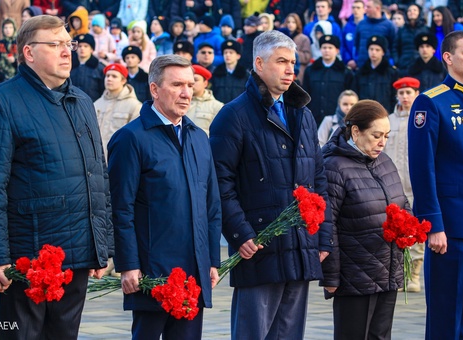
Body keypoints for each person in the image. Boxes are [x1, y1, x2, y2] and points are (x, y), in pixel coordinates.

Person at [0, 15, 113, 339]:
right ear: (29, 53)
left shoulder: (81, 101)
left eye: (69, 44)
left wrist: (101, 247)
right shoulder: (1, 102)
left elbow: (98, 177)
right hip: (28, 260)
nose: (67, 52)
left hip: (77, 256)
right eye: (55, 45)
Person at [209, 29, 333, 340]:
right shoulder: (233, 115)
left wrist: (323, 236)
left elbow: (318, 178)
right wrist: (240, 233)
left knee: (290, 334)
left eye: (293, 62)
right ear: (259, 64)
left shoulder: (303, 114)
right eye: (281, 61)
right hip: (259, 248)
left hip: (300, 245)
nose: (291, 68)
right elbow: (219, 182)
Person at [107, 54, 222, 339]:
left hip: (193, 270)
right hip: (151, 270)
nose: (186, 93)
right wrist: (128, 264)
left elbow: (211, 205)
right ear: (155, 89)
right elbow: (120, 208)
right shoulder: (131, 138)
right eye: (177, 85)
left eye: (190, 84)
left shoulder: (198, 137)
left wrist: (210, 259)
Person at [408, 30, 463, 339]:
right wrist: (433, 224)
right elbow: (422, 168)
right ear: (449, 58)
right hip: (450, 228)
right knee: (445, 317)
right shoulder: (431, 102)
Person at [321, 99, 407, 339]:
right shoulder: (334, 167)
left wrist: (408, 224)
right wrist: (330, 276)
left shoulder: (384, 162)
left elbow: (401, 202)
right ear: (356, 132)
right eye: (376, 135)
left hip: (387, 268)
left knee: (381, 335)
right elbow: (327, 226)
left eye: (387, 136)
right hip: (354, 275)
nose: (382, 143)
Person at [383, 77, 424, 292]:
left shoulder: (421, 118)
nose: (405, 96)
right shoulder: (388, 120)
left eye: (409, 92)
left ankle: (414, 274)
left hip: (415, 184)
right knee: (395, 230)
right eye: (402, 93)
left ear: (417, 93)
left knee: (416, 229)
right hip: (392, 186)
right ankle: (398, 274)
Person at [303, 34, 354, 126]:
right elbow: (305, 94)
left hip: (337, 120)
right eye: (324, 47)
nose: (327, 50)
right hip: (314, 118)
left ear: (337, 50)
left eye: (330, 48)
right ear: (320, 49)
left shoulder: (345, 72)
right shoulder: (311, 70)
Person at [94, 63, 142, 157]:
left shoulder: (135, 106)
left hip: (120, 159)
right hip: (97, 160)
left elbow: (136, 139)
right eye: (107, 76)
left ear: (123, 80)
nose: (109, 79)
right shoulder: (96, 104)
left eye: (114, 76)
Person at [354, 35, 399, 114]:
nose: (373, 52)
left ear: (383, 52)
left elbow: (394, 96)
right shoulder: (360, 73)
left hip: (385, 114)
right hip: (364, 115)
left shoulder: (391, 73)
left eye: (377, 50)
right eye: (371, 49)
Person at [354, 0, 396, 68]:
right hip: (363, 65)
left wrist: (392, 61)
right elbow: (356, 44)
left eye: (368, 7)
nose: (365, 9)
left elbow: (393, 45)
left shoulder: (389, 25)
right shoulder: (361, 24)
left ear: (377, 8)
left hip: (383, 67)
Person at [393, 3, 429, 76]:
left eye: (414, 10)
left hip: (420, 65)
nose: (412, 12)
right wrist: (397, 61)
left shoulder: (425, 29)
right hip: (404, 65)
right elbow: (395, 47)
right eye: (409, 10)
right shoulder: (402, 30)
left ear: (419, 13)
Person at [186, 64, 224, 136]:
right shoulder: (178, 103)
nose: (192, 83)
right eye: (189, 80)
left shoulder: (217, 107)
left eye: (196, 80)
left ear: (205, 83)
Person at [212, 39, 249, 104]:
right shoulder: (216, 73)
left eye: (231, 52)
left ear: (238, 56)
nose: (227, 55)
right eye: (225, 52)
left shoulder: (245, 75)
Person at [70, 33, 105, 102]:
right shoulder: (69, 66)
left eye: (86, 46)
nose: (82, 48)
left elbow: (103, 91)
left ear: (91, 49)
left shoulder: (99, 68)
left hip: (93, 105)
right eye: (79, 46)